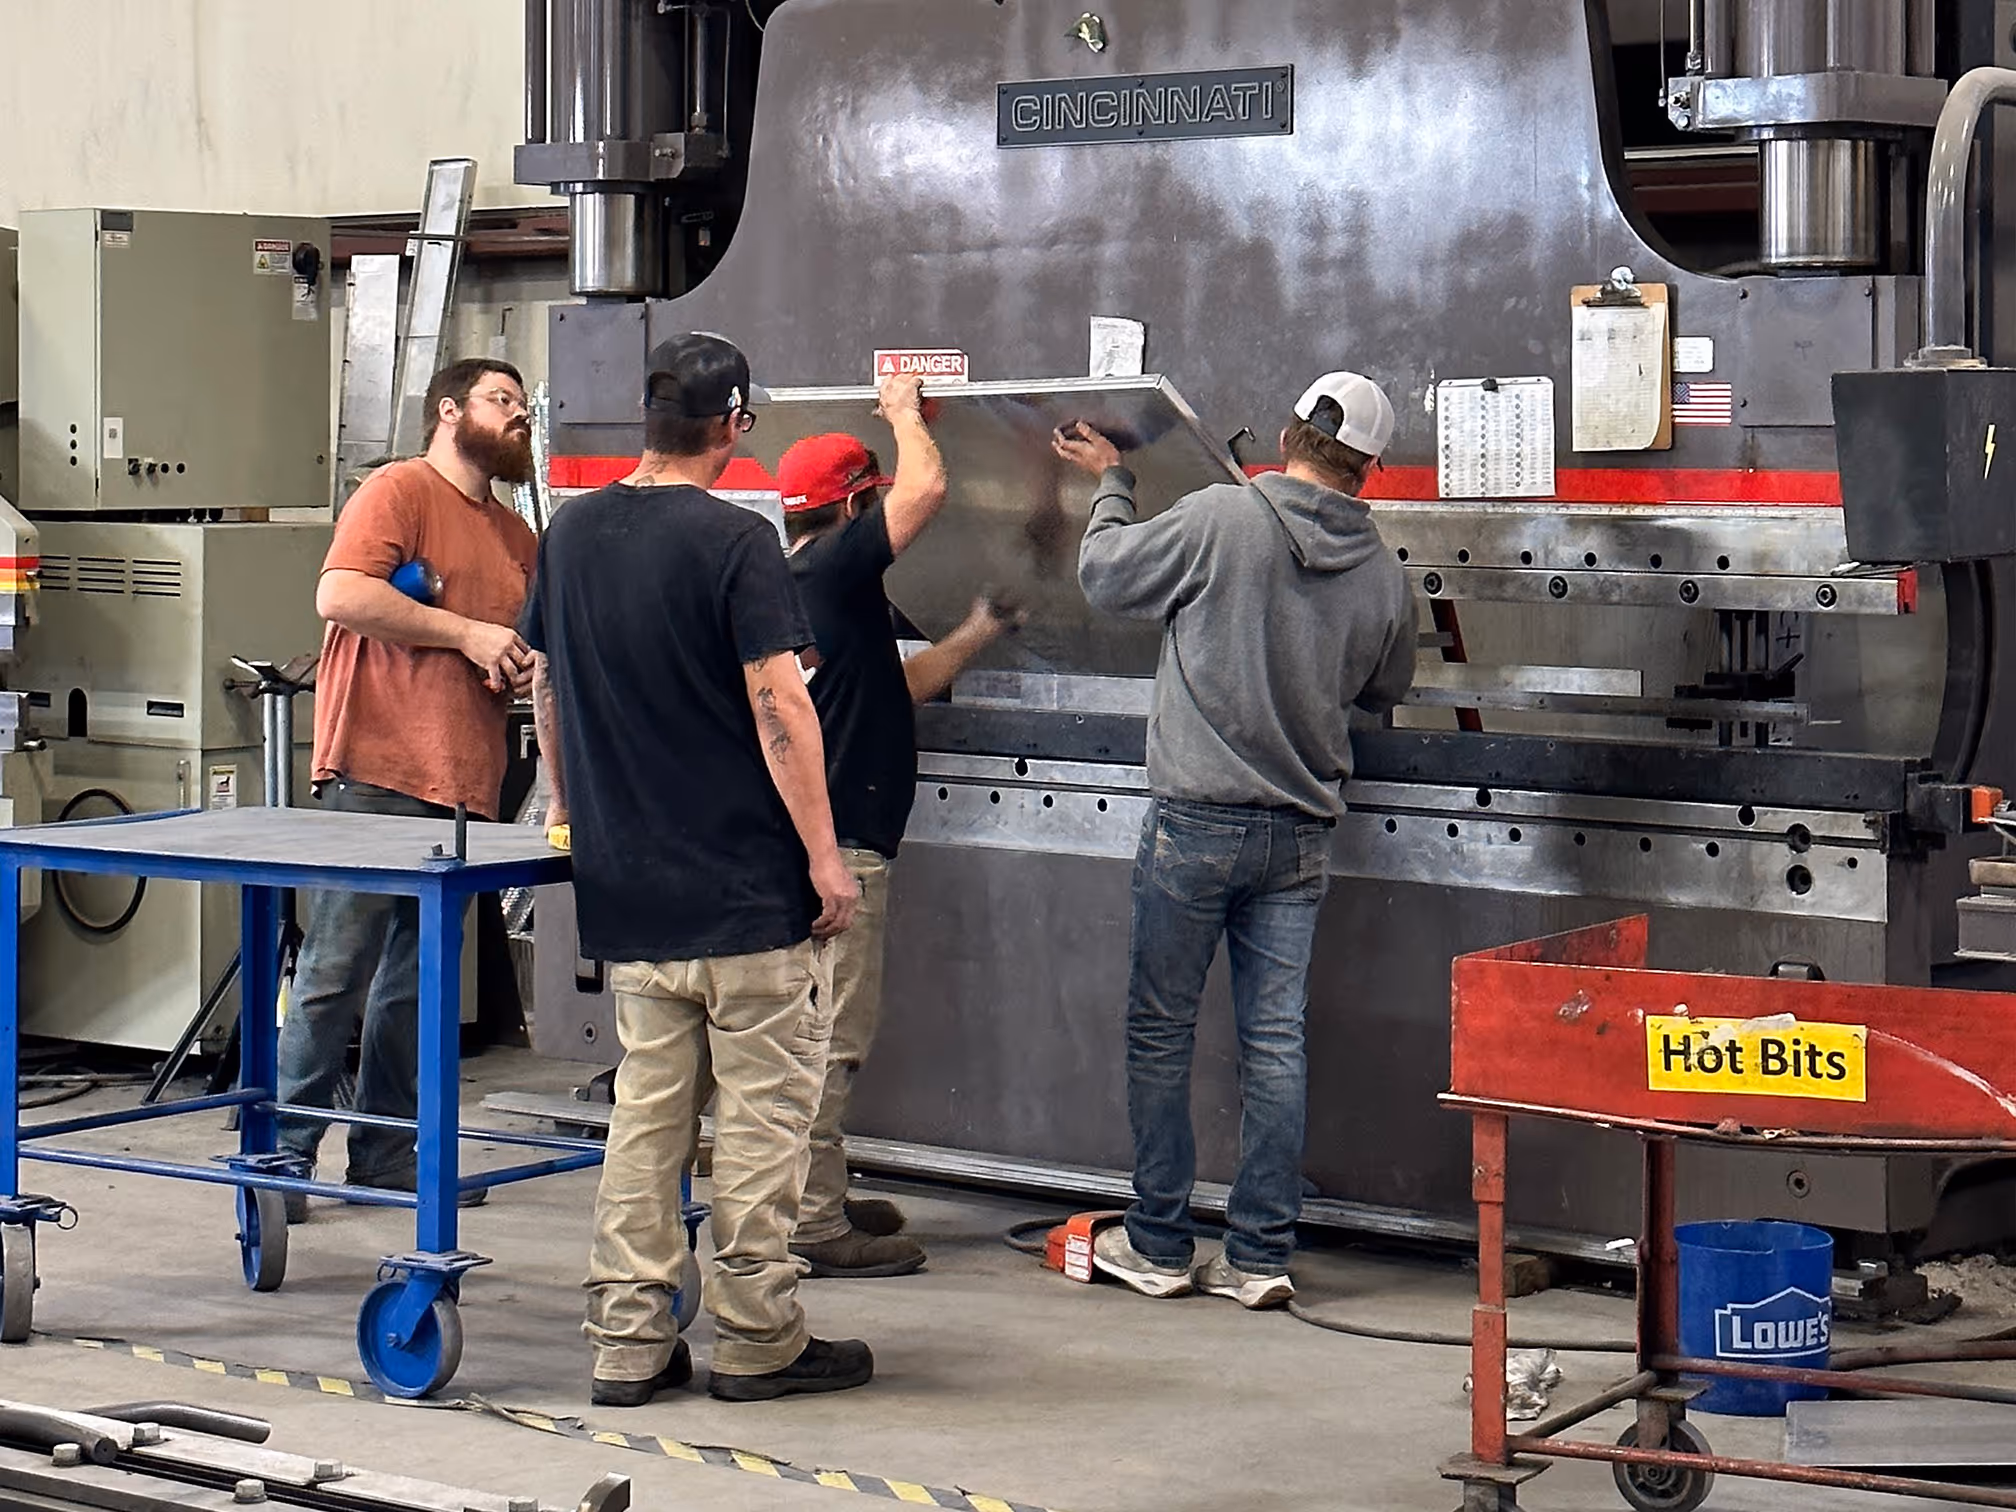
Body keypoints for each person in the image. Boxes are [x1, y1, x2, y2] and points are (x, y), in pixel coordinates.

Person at [522, 332, 872, 1408]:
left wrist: (570, 809)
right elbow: (782, 707)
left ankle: (628, 1341)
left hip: (633, 897)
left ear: (648, 416)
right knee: (762, 1127)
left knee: (646, 1124)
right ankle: (759, 1339)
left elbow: (544, 683)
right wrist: (824, 858)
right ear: (735, 426)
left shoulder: (571, 535)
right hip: (745, 900)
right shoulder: (735, 540)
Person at [1052, 372, 1416, 1309]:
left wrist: (1113, 482)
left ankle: (1162, 1246)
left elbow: (1105, 575)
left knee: (1161, 1031)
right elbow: (1383, 688)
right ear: (1371, 468)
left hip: (1194, 824)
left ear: (1289, 433)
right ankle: (1260, 1258)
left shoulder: (1223, 517)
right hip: (1299, 832)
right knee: (1274, 1043)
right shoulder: (1383, 570)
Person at [277, 358, 540, 1221]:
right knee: (333, 972)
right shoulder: (399, 491)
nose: (519, 417)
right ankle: (282, 1154)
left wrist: (516, 655)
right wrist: (466, 633)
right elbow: (340, 593)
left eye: (525, 407)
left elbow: (519, 640)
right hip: (377, 771)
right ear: (450, 410)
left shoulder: (515, 537)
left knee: (412, 987)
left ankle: (385, 1157)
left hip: (464, 784)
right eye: (504, 401)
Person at [775, 381, 1023, 1280]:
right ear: (852, 506)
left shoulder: (800, 585)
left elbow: (890, 692)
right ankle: (810, 1224)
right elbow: (926, 493)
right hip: (844, 851)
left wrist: (979, 631)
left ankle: (818, 1191)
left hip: (822, 842)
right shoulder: (838, 567)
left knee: (811, 1035)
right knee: (829, 1042)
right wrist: (905, 412)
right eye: (870, 499)